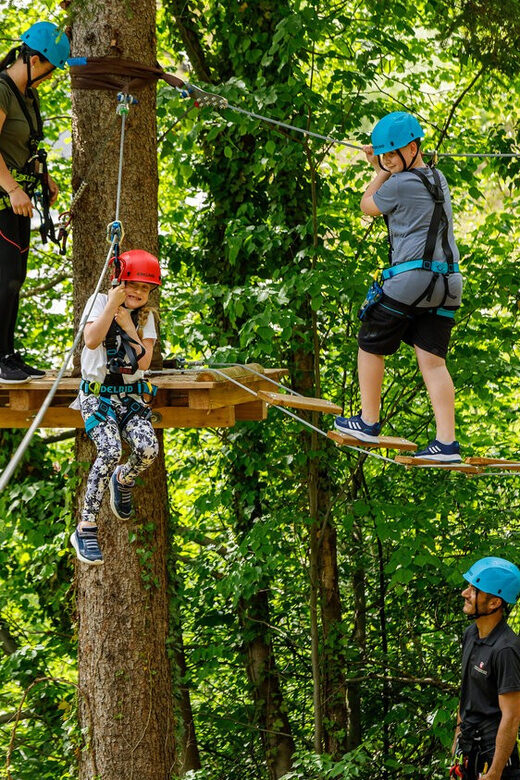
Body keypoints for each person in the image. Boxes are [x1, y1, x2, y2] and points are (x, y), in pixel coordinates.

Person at [334, 111, 464, 462]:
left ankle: (368, 421)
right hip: (448, 283)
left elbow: (366, 206)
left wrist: (377, 174)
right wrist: (385, 165)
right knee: (433, 361)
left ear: (412, 147)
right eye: (383, 156)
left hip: (412, 279)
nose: (388, 161)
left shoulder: (398, 183)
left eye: (392, 155)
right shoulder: (438, 177)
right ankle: (446, 443)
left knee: (369, 341)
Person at [70, 250, 161, 566]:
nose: (137, 293)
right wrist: (112, 307)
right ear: (120, 282)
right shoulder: (99, 303)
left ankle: (123, 479)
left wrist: (129, 325)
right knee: (108, 450)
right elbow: (92, 340)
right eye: (132, 285)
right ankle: (86, 526)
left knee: (148, 449)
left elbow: (145, 360)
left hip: (129, 397)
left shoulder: (146, 318)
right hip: (97, 395)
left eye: (145, 288)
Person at [0, 22, 70, 383]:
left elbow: (21, 147)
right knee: (5, 276)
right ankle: (1, 358)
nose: (50, 77)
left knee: (15, 278)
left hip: (20, 201)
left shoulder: (27, 95)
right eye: (50, 69)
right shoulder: (2, 91)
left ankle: (8, 353)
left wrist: (43, 177)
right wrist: (13, 188)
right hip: (5, 200)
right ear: (34, 59)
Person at [450, 557, 520, 779]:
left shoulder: (505, 650)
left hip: (494, 757)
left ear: (494, 603)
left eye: (474, 589)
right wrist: (457, 742)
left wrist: (495, 772)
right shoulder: (470, 634)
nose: (465, 593)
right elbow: (467, 692)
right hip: (469, 749)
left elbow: (511, 717)